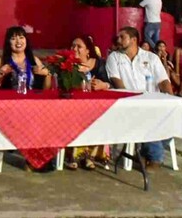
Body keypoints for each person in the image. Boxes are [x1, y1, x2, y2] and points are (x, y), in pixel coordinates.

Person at [106, 26, 172, 168]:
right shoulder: (114, 58)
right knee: (147, 116)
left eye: (122, 37)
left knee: (172, 116)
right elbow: (118, 84)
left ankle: (145, 151)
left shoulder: (151, 57)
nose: (118, 40)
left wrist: (171, 100)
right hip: (128, 104)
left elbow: (164, 81)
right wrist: (136, 102)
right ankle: (155, 157)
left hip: (154, 103)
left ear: (134, 40)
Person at [65, 36, 111, 171]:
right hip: (74, 106)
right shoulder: (68, 64)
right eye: (73, 46)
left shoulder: (99, 64)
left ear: (88, 51)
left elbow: (110, 83)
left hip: (96, 106)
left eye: (79, 46)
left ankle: (91, 156)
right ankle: (73, 156)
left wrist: (104, 85)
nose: (74, 49)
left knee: (100, 117)